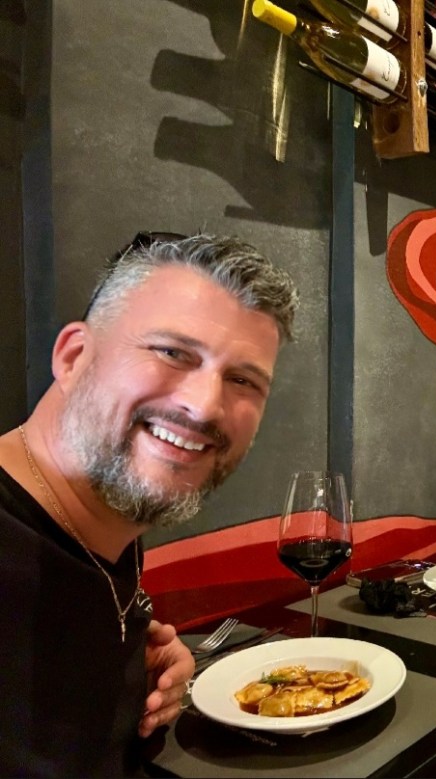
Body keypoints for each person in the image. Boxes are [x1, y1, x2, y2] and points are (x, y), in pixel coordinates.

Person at [0, 233, 299, 775]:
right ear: (73, 356)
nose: (204, 405)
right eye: (172, 352)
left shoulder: (106, 525)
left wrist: (131, 681)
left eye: (242, 380)